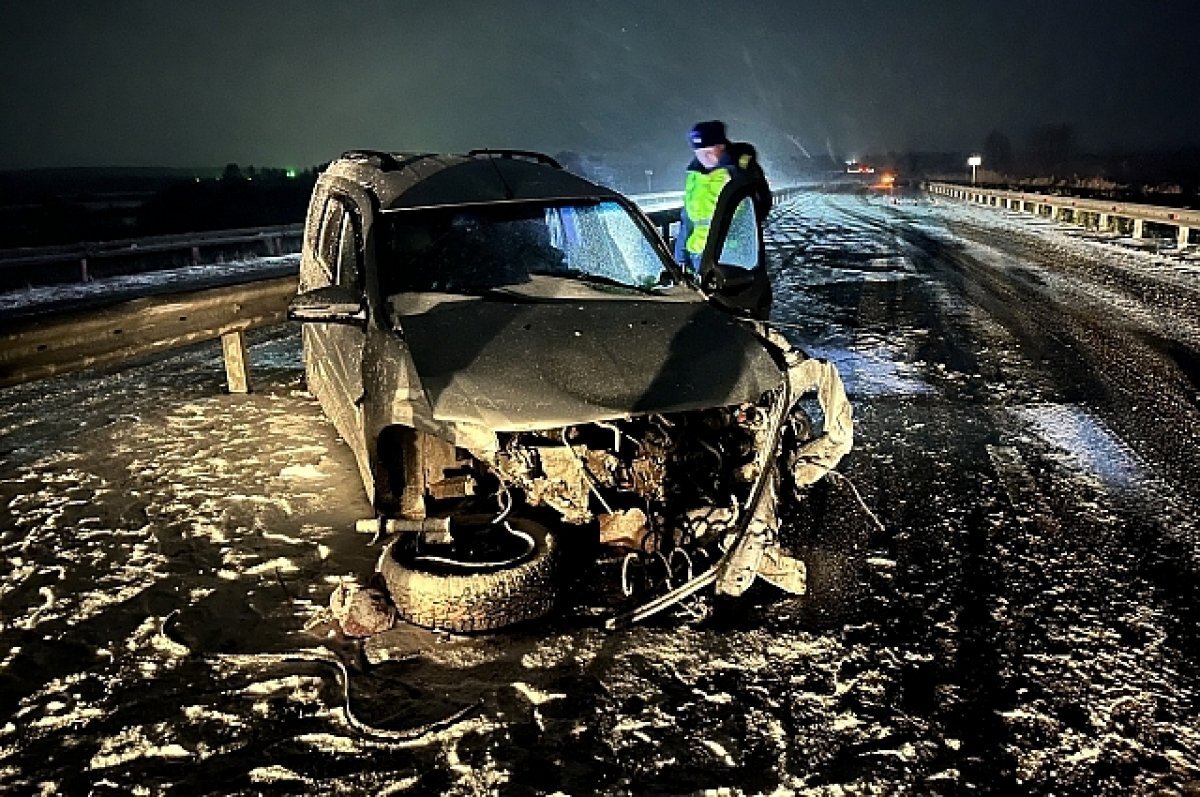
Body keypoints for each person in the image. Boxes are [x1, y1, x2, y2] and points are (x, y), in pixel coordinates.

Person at [673, 120, 771, 276]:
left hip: (730, 257)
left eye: (709, 151)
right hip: (697, 255)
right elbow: (687, 220)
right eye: (699, 152)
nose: (704, 157)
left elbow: (761, 205)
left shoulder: (738, 170)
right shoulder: (693, 176)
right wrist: (680, 258)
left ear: (721, 147)